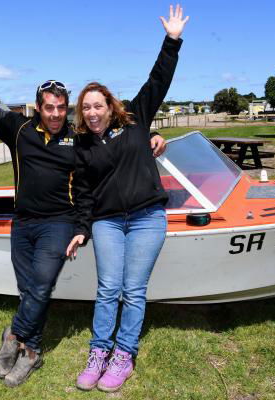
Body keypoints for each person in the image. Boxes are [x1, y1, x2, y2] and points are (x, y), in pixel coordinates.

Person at [66, 4, 189, 392]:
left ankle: (124, 356)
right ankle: (98, 352)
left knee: (133, 290)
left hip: (146, 218)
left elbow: (159, 80)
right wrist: (82, 228)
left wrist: (172, 40)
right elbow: (83, 193)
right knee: (107, 289)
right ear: (82, 114)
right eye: (85, 108)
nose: (92, 112)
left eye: (97, 104)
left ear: (110, 105)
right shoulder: (82, 146)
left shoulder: (135, 120)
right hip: (106, 221)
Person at [0, 33, 79, 387]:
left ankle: (13, 336)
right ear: (39, 106)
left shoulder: (77, 138)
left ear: (67, 107)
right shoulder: (18, 129)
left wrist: (151, 140)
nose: (55, 113)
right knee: (29, 289)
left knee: (40, 285)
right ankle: (33, 351)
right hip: (22, 222)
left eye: (61, 107)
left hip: (59, 222)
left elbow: (116, 140)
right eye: (49, 107)